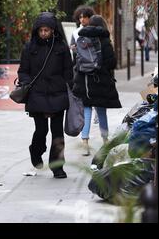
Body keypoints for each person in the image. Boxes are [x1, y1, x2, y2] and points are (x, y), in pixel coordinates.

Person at [18, 12, 73, 179]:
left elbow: (68, 71)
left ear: (53, 30)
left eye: (47, 30)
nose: (43, 33)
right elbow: (23, 71)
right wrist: (27, 83)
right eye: (41, 30)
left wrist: (69, 87)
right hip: (37, 93)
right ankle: (36, 151)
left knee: (57, 133)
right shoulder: (29, 47)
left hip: (57, 93)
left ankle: (57, 166)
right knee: (41, 130)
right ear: (37, 30)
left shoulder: (61, 47)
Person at [72, 15, 122, 156]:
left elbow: (77, 61)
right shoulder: (104, 40)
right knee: (101, 111)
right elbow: (112, 63)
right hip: (101, 80)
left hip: (85, 81)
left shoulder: (82, 39)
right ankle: (105, 141)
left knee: (86, 110)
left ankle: (85, 142)